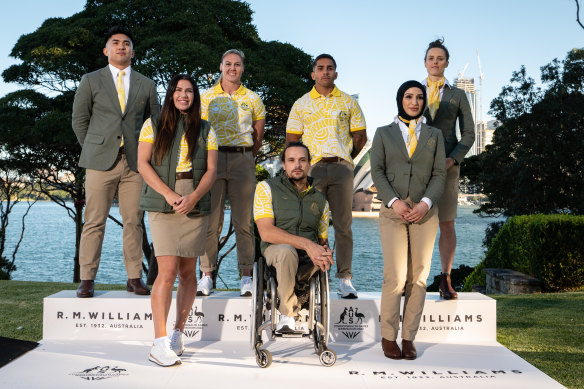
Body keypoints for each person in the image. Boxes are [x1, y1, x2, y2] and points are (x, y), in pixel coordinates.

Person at [72, 26, 160, 298]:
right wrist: (95, 147)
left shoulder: (147, 84)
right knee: (94, 221)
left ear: (133, 51)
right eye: (115, 43)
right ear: (106, 50)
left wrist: (148, 155)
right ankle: (87, 279)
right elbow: (79, 120)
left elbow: (155, 123)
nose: (121, 47)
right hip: (99, 162)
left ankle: (134, 278)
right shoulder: (90, 80)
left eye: (126, 43)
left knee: (134, 222)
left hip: (135, 164)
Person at [137, 74, 218, 366]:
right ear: (171, 94)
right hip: (163, 199)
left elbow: (211, 170)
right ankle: (158, 344)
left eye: (189, 91)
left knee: (188, 273)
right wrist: (171, 195)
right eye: (178, 90)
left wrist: (194, 197)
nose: (184, 95)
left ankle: (177, 334)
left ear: (195, 97)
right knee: (167, 272)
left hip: (195, 199)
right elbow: (142, 164)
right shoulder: (153, 124)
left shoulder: (207, 129)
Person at [370, 80, 446, 360]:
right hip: (393, 212)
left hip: (425, 213)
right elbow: (377, 170)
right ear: (400, 99)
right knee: (396, 276)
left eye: (419, 97)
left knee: (419, 277)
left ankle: (408, 338)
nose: (414, 102)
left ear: (424, 101)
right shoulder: (383, 133)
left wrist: (426, 203)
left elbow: (440, 174)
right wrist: (393, 201)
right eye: (408, 96)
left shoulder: (435, 135)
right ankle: (388, 336)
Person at [286, 53, 366, 299]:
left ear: (336, 73)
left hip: (342, 168)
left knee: (343, 226)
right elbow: (292, 140)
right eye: (320, 68)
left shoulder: (348, 102)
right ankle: (312, 277)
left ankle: (344, 278)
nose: (325, 72)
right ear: (313, 74)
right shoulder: (301, 103)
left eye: (330, 68)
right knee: (310, 223)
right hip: (314, 169)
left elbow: (360, 137)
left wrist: (345, 157)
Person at [198, 49, 266, 297]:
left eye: (237, 64)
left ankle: (246, 276)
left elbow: (258, 134)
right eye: (228, 64)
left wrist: (246, 154)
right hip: (213, 160)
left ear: (243, 68)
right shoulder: (206, 98)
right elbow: (199, 132)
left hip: (242, 160)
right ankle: (207, 275)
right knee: (211, 221)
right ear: (221, 66)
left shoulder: (253, 99)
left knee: (244, 222)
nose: (232, 68)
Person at [254, 142, 333, 333]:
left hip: (307, 257)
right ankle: (287, 313)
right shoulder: (266, 188)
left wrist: (325, 251)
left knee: (321, 255)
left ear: (309, 164)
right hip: (276, 250)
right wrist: (307, 244)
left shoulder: (320, 199)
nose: (297, 165)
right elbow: (266, 232)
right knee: (287, 251)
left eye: (302, 160)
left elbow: (322, 240)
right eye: (291, 160)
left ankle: (298, 297)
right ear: (283, 164)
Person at [422, 38, 475, 299]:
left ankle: (445, 278)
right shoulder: (413, 91)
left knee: (447, 224)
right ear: (425, 62)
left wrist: (452, 159)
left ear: (446, 63)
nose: (435, 62)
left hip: (448, 165)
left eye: (440, 58)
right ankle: (414, 280)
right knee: (416, 222)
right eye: (431, 58)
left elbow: (469, 133)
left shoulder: (458, 94)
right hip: (417, 167)